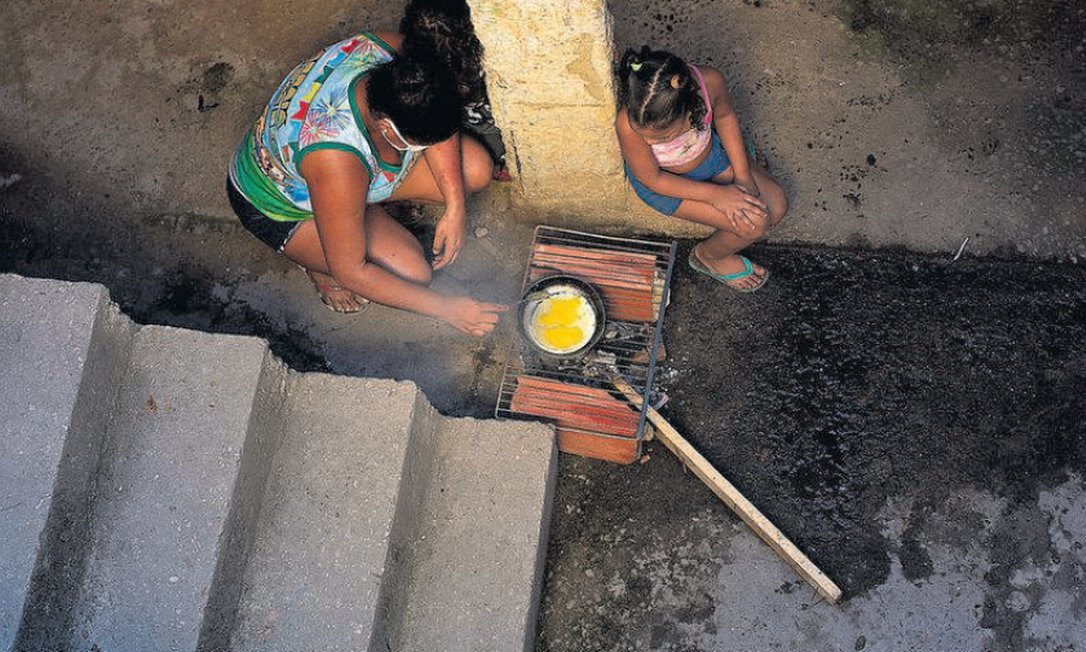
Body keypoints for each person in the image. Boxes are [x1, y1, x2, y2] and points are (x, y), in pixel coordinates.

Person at [227, 31, 506, 336]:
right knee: (411, 274)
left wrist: (456, 208)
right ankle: (319, 267)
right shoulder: (335, 160)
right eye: (425, 141)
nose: (437, 143)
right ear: (387, 126)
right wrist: (446, 309)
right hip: (284, 205)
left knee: (476, 169)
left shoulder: (404, 62)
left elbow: (440, 124)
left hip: (346, 178)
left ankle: (360, 212)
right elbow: (353, 271)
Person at [615, 46, 788, 292]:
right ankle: (709, 257)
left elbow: (725, 118)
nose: (651, 143)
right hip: (667, 186)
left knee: (778, 205)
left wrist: (743, 176)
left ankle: (743, 161)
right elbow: (652, 179)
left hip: (710, 158)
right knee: (755, 224)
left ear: (690, 109)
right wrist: (717, 195)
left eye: (665, 136)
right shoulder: (628, 123)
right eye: (646, 137)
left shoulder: (710, 82)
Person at [397, 0, 511, 181]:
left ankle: (496, 161)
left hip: (474, 130)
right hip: (478, 128)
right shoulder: (480, 61)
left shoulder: (419, 70)